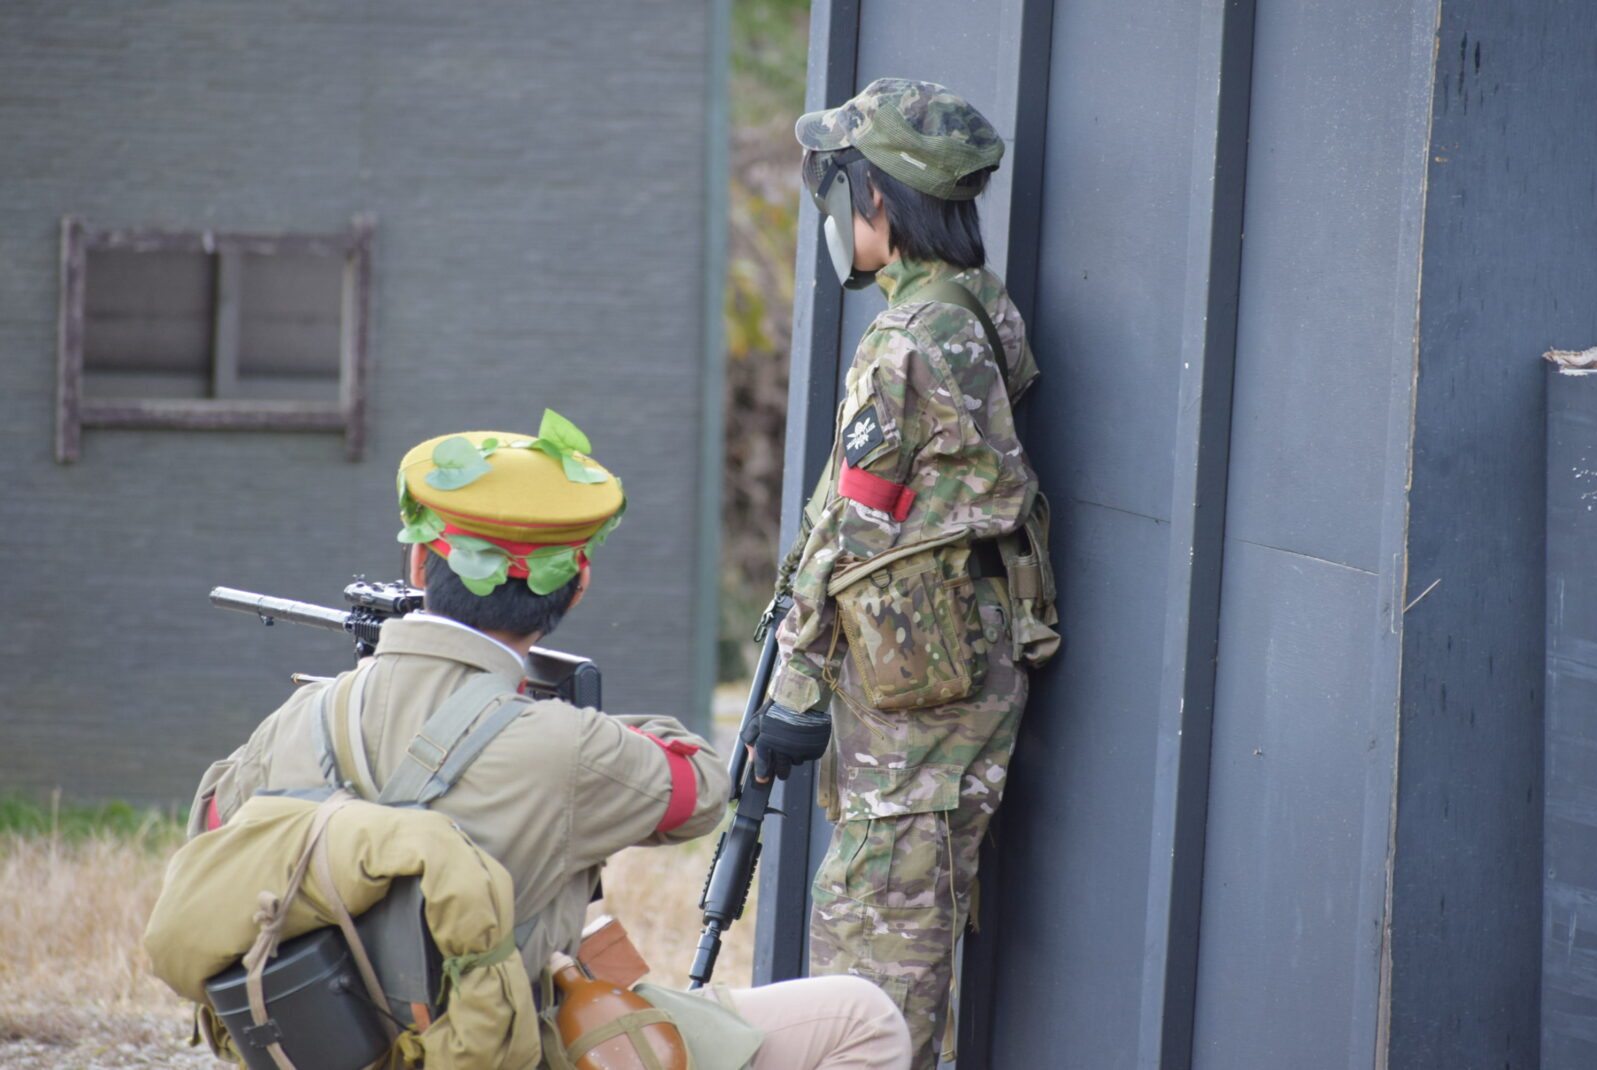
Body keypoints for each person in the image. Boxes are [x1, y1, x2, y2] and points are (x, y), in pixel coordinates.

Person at [189, 416, 912, 1070]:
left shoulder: (301, 716)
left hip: (328, 1046)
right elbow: (698, 790)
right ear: (578, 584)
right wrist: (558, 713)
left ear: (418, 567)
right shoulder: (570, 746)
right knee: (863, 1017)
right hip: (505, 1049)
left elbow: (213, 829)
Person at [741, 80, 1057, 1070]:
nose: (831, 211)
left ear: (876, 197)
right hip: (958, 659)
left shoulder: (907, 341)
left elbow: (854, 527)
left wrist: (792, 694)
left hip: (924, 680)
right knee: (909, 905)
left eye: (836, 187)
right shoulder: (977, 307)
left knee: (875, 930)